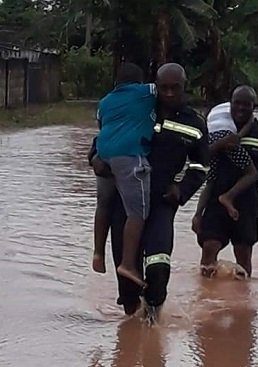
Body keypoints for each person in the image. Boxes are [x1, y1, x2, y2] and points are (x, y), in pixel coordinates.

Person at [89, 63, 209, 321]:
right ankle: (130, 331)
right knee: (126, 277)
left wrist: (182, 189)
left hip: (163, 203)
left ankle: (154, 322)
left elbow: (201, 166)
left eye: (174, 88)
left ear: (184, 87)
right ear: (154, 87)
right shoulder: (138, 108)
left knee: (158, 264)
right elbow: (106, 138)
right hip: (126, 203)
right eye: (163, 88)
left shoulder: (195, 123)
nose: (168, 93)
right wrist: (95, 159)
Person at [193, 85, 258, 277]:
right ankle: (206, 299)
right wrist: (198, 213)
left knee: (243, 254)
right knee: (209, 247)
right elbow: (202, 159)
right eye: (237, 103)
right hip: (215, 200)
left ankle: (243, 301)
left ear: (254, 106)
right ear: (230, 103)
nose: (241, 108)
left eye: (246, 104)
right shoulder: (217, 129)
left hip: (247, 202)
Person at [92, 62, 157, 288]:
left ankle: (98, 254)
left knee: (104, 205)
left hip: (103, 154)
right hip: (130, 155)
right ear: (138, 81)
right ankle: (128, 263)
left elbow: (101, 124)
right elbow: (166, 88)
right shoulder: (146, 92)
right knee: (138, 211)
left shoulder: (105, 101)